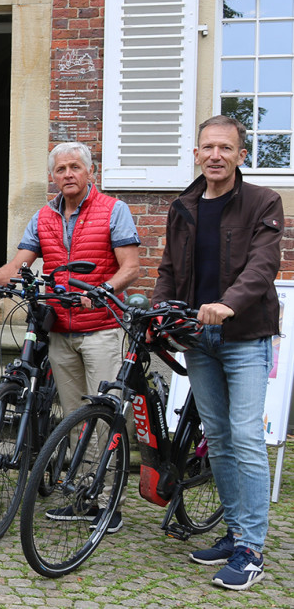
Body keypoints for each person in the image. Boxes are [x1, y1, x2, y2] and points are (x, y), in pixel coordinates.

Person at [0, 142, 140, 529]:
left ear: (90, 172)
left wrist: (102, 291)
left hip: (103, 329)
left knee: (107, 415)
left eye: (75, 167)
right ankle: (81, 496)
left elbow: (131, 268)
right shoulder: (44, 216)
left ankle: (109, 501)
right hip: (61, 330)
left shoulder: (114, 210)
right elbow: (19, 263)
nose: (68, 174)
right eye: (60, 169)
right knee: (76, 419)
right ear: (53, 176)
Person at [154, 115, 283, 591]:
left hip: (245, 335)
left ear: (241, 155)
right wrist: (162, 311)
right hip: (198, 339)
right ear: (196, 154)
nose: (215, 155)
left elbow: (263, 265)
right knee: (221, 438)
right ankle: (234, 533)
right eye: (207, 147)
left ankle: (252, 550)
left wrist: (227, 304)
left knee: (247, 437)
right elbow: (169, 267)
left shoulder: (263, 202)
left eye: (225, 148)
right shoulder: (183, 206)